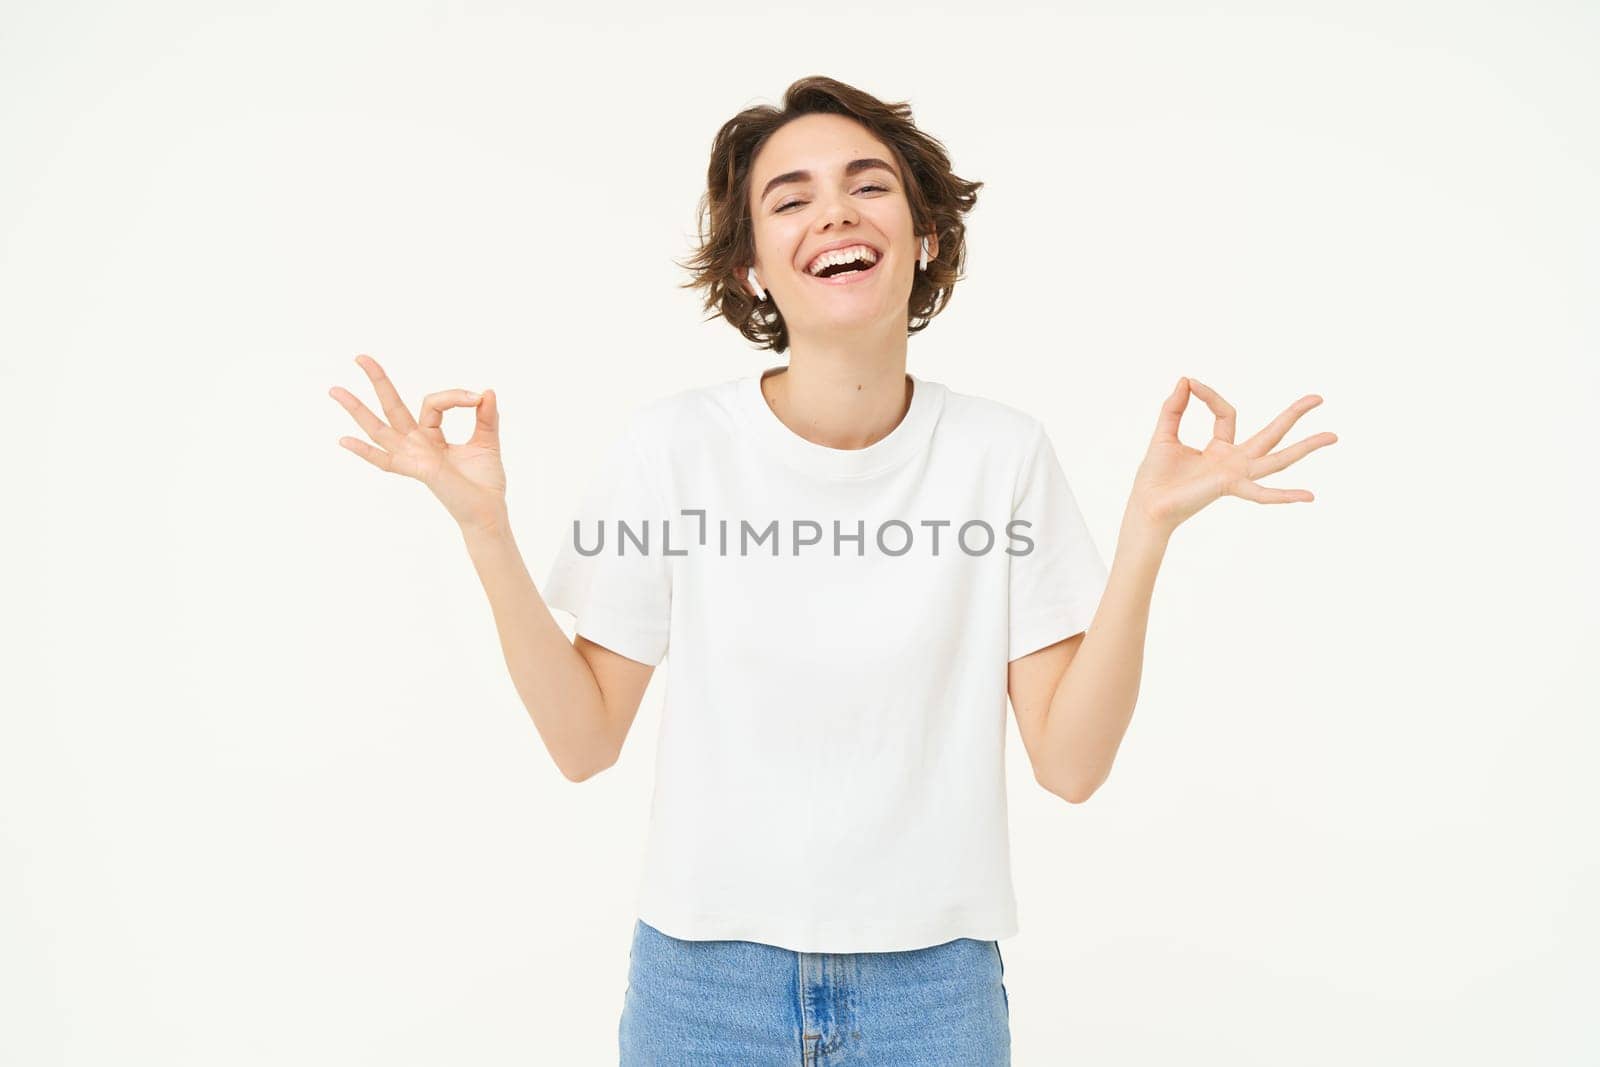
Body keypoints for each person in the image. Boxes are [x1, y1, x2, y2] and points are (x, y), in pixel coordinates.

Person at [328, 75, 1336, 1067]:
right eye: (790, 198)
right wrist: (483, 528)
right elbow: (582, 737)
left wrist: (1149, 530)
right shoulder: (673, 448)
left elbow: (1070, 764)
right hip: (702, 988)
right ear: (750, 270)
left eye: (868, 184)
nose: (834, 213)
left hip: (932, 995)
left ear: (925, 234)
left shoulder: (1000, 455)